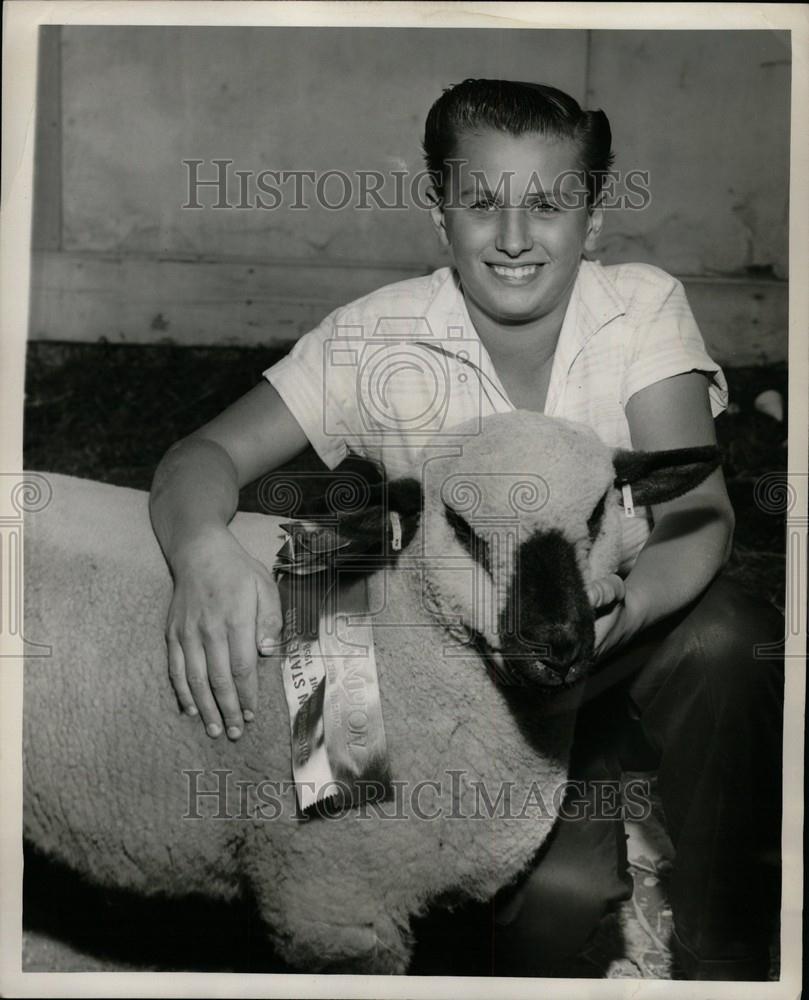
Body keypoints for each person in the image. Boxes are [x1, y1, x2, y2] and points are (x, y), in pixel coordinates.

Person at [149, 79, 784, 980]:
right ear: (437, 212)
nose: (515, 237)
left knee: (734, 635)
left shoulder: (636, 306)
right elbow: (200, 456)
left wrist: (620, 617)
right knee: (540, 918)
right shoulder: (374, 337)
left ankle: (724, 954)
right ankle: (345, 897)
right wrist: (201, 550)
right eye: (481, 203)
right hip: (465, 681)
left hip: (615, 632)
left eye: (551, 205)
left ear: (593, 220)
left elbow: (701, 511)